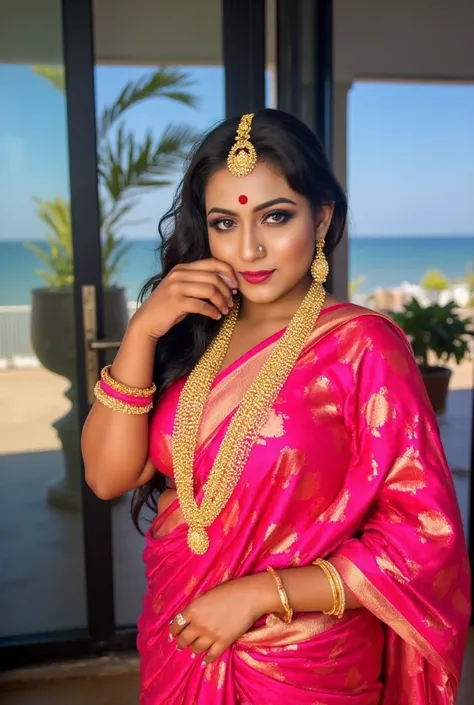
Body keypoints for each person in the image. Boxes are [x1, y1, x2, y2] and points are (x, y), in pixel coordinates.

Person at [82, 109, 471, 705]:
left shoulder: (363, 346)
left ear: (322, 219)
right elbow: (108, 477)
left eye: (276, 216)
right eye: (224, 222)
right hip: (181, 635)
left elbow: (423, 536)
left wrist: (260, 595)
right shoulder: (192, 335)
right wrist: (143, 332)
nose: (249, 247)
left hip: (304, 663)